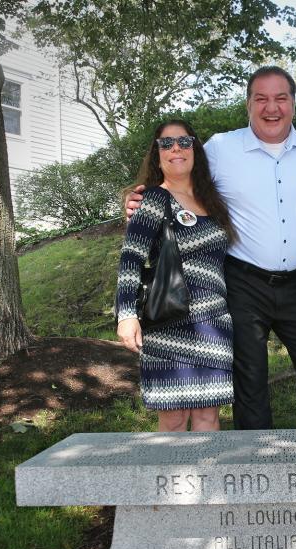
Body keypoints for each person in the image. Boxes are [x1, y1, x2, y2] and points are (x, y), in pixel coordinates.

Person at [126, 67, 296, 430]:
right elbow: (179, 173)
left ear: (294, 104)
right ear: (248, 104)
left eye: (281, 98)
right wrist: (141, 200)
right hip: (243, 282)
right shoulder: (222, 148)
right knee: (249, 378)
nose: (272, 108)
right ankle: (256, 468)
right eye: (262, 99)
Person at [116, 120, 237, 432]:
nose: (175, 149)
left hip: (213, 324)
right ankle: (173, 482)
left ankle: (208, 481)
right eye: (166, 144)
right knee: (173, 418)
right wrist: (126, 314)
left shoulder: (212, 201)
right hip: (170, 322)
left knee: (209, 416)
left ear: (194, 148)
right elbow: (131, 257)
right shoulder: (154, 199)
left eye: (184, 142)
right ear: (157, 154)